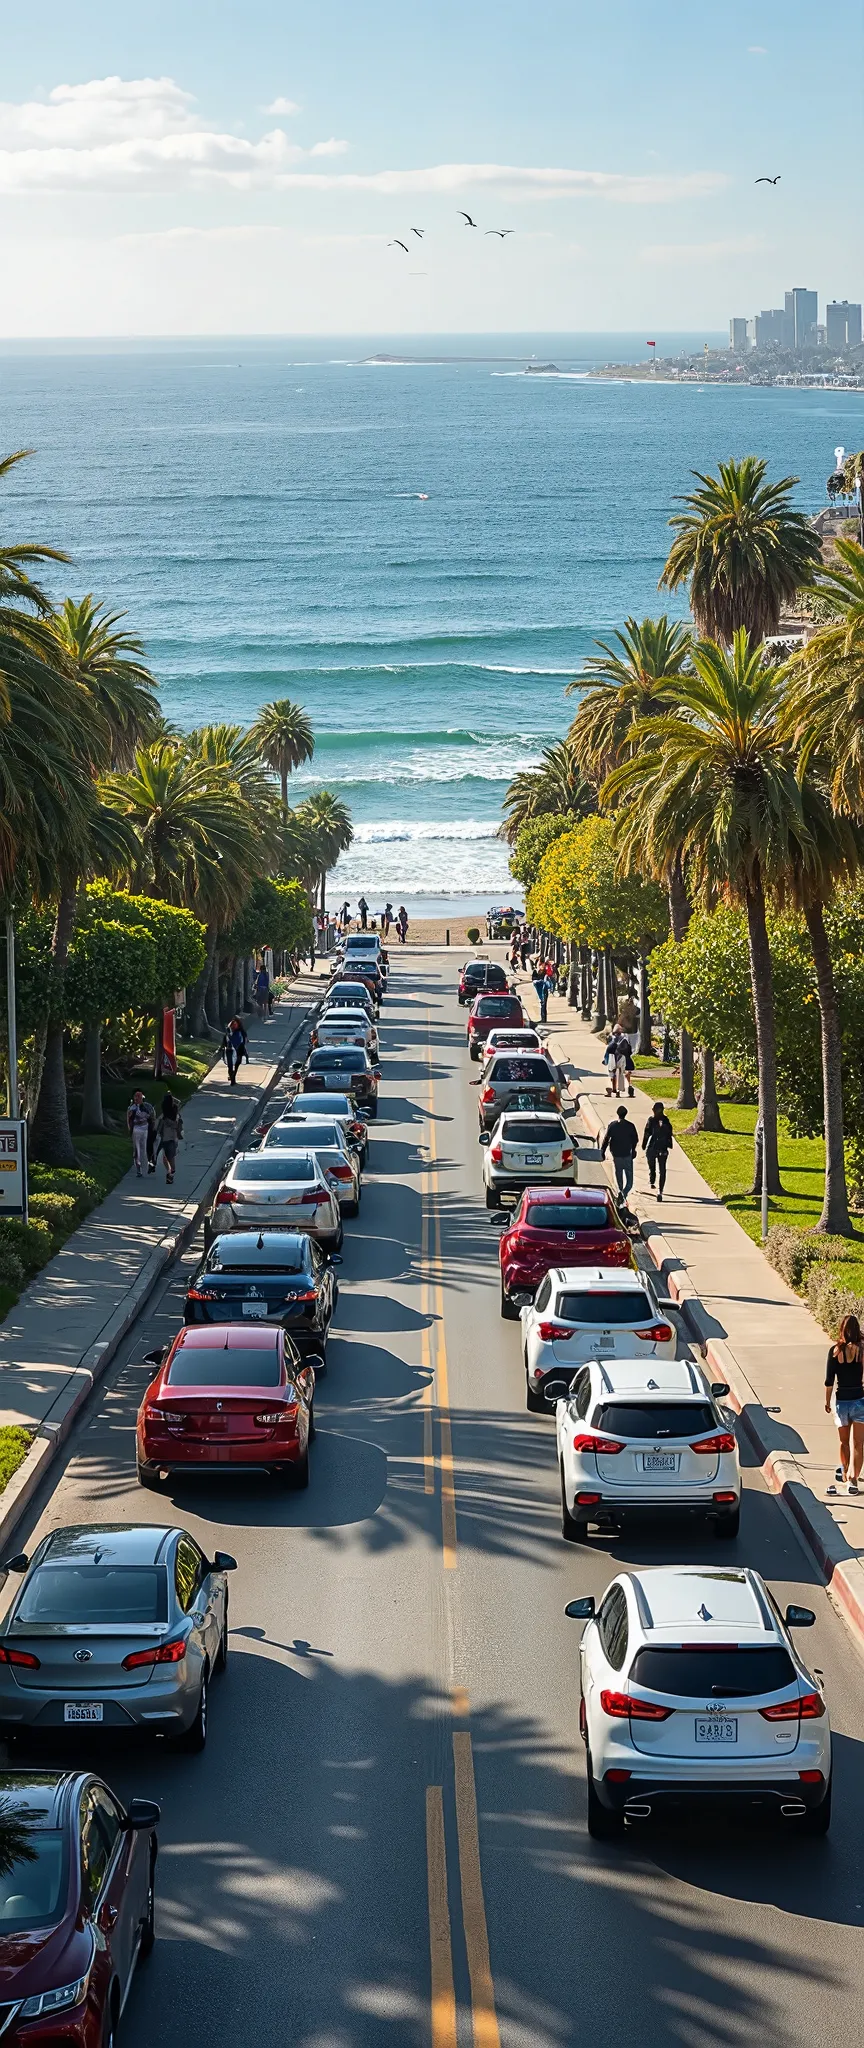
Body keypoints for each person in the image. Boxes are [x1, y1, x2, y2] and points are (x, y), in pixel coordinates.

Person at [825, 1314, 864, 1495]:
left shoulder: (835, 1351)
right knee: (858, 1444)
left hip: (842, 1401)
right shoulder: (862, 1351)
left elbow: (829, 1381)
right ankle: (854, 1480)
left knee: (844, 1442)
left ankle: (845, 1473)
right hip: (860, 1400)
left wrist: (827, 1402)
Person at [600, 1104, 639, 1206]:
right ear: (626, 1114)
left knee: (619, 1176)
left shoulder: (612, 1125)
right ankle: (623, 1195)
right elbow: (635, 1139)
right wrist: (633, 1150)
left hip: (616, 1155)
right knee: (629, 1181)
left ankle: (620, 1194)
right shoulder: (631, 1126)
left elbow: (606, 1139)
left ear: (618, 1114)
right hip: (627, 1155)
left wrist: (602, 1151)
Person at [642, 1101, 674, 1200]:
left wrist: (644, 1144)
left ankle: (657, 1187)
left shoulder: (659, 1121)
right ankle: (655, 1181)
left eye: (655, 1109)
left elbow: (648, 1133)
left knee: (659, 1168)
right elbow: (648, 1132)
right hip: (658, 1147)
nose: (653, 1111)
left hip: (658, 1147)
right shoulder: (658, 1121)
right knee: (657, 1166)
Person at [155, 1091, 184, 1185]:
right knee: (171, 1157)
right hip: (173, 1137)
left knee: (165, 1157)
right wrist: (171, 1098)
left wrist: (167, 1098)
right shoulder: (175, 1113)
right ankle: (171, 1173)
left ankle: (169, 1172)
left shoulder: (164, 1114)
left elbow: (158, 1127)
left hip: (164, 1138)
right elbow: (179, 1102)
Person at [126, 1089, 156, 1178]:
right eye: (136, 1096)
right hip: (136, 1129)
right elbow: (128, 1120)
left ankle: (146, 1165)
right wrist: (130, 1129)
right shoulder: (132, 1108)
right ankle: (138, 1169)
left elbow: (153, 1117)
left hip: (145, 1129)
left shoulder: (147, 1107)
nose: (137, 1098)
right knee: (137, 1150)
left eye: (139, 1096)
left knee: (144, 1149)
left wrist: (152, 1127)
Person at [603, 1027, 634, 1098]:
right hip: (622, 1058)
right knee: (621, 1075)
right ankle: (619, 1090)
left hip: (613, 1057)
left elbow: (608, 1050)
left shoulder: (613, 1040)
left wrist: (605, 1060)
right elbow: (629, 1051)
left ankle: (614, 1090)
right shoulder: (625, 1039)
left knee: (613, 1074)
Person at [222, 1015, 249, 1085]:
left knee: (237, 1064)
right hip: (229, 1050)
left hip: (239, 1050)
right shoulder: (228, 1031)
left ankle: (233, 1076)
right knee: (230, 1065)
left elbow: (245, 1040)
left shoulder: (241, 1032)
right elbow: (224, 1040)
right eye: (232, 1024)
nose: (234, 1026)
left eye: (235, 1024)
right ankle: (232, 1079)